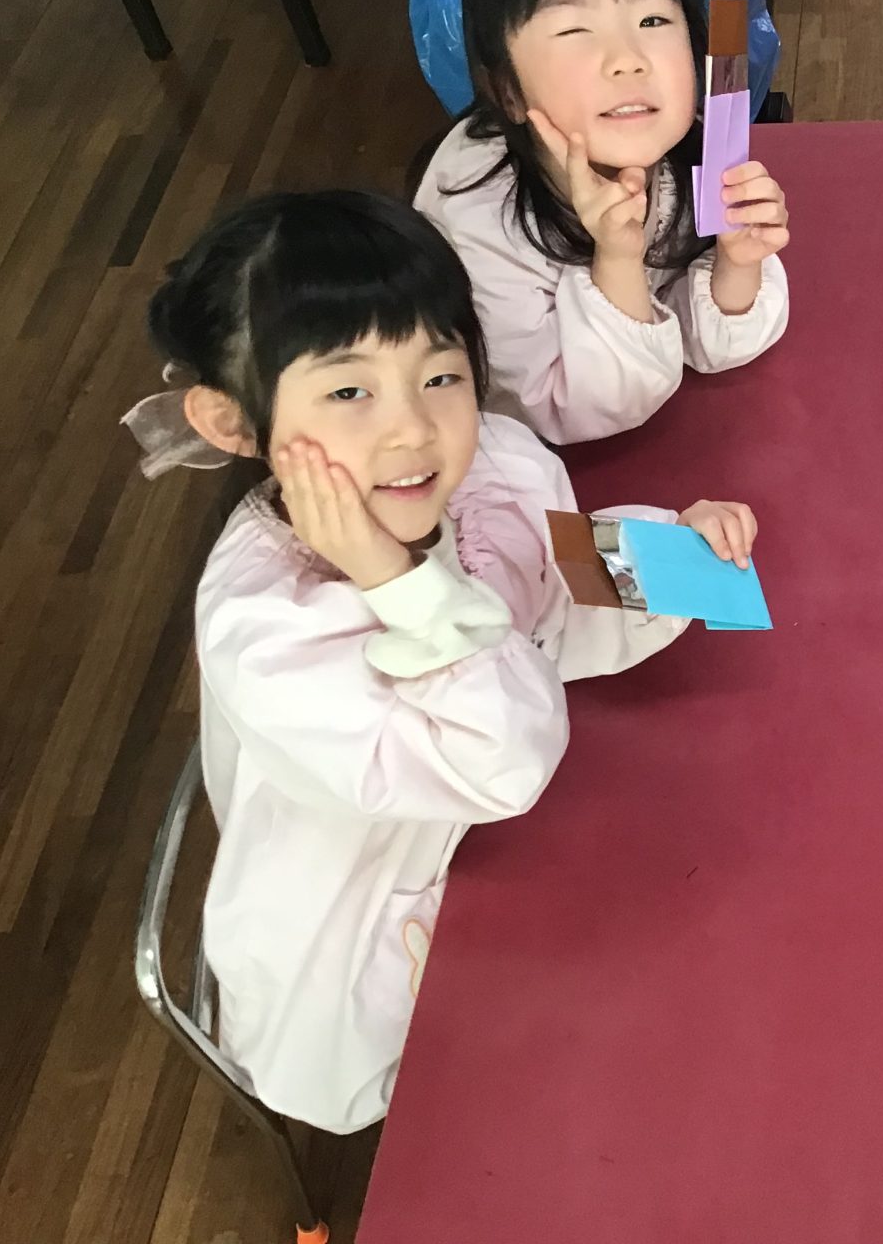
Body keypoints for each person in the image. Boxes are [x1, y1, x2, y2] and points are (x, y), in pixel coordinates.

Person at [125, 190, 760, 1132]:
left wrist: (673, 557)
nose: (413, 430)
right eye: (348, 392)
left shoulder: (490, 462)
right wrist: (400, 582)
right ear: (232, 421)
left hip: (523, 860)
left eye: (441, 374)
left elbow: (547, 580)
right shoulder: (274, 634)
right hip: (371, 966)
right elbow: (502, 759)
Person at [416, 0, 791, 444]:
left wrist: (737, 261)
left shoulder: (689, 147)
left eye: (653, 21)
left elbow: (711, 342)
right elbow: (568, 411)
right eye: (574, 30)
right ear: (507, 91)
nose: (627, 60)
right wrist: (617, 259)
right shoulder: (475, 219)